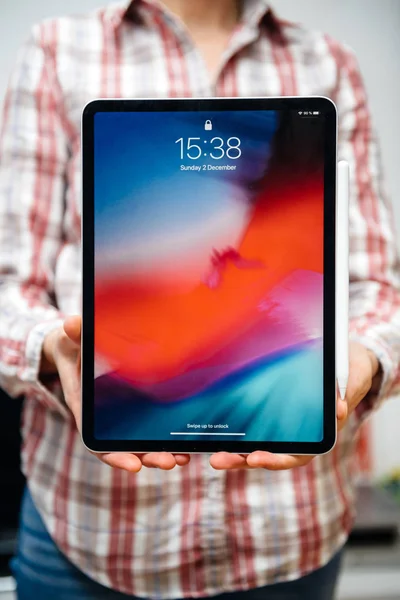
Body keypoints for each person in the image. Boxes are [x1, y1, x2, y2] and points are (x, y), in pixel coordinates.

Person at [0, 0, 399, 598]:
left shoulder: (327, 62)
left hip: (291, 540)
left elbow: (378, 288)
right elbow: (10, 286)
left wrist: (360, 360)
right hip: (91, 537)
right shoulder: (59, 49)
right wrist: (56, 351)